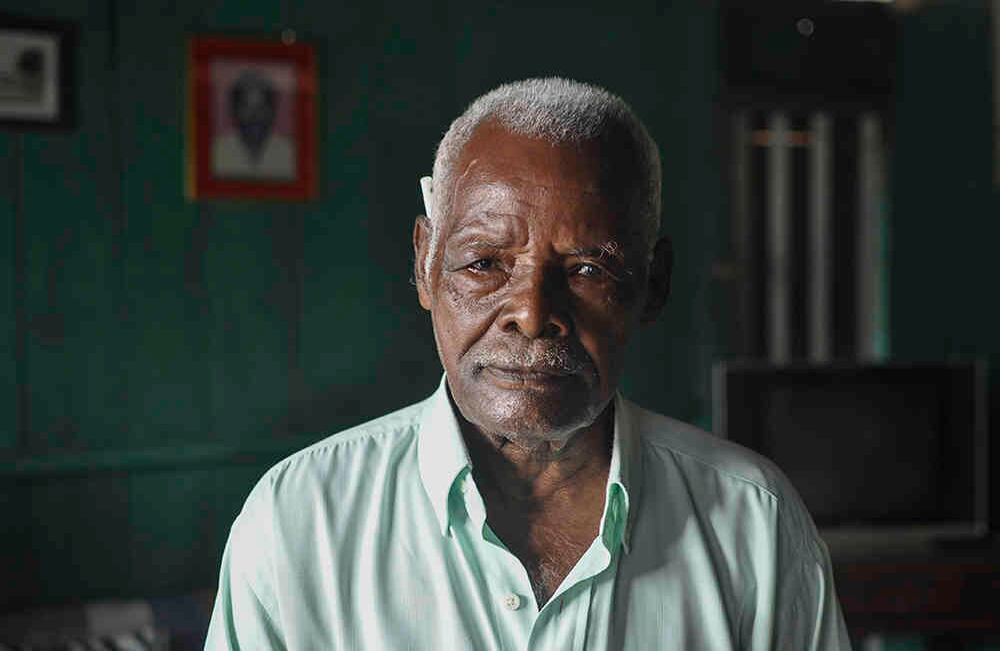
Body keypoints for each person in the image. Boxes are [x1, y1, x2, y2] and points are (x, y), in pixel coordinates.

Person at [205, 77, 851, 650]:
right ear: (426, 264)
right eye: (485, 264)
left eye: (588, 269)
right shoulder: (296, 524)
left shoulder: (753, 526)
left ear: (652, 285)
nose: (533, 313)